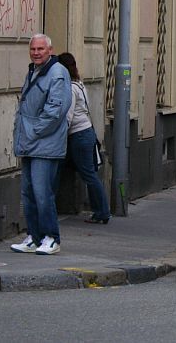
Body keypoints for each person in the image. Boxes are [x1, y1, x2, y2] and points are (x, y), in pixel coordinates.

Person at [11, 34, 72, 255]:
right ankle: (35, 238)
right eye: (33, 49)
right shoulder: (35, 70)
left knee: (42, 192)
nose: (36, 52)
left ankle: (51, 238)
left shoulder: (57, 72)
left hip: (44, 144)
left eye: (40, 49)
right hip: (31, 142)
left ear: (50, 50)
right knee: (28, 193)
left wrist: (33, 132)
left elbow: (55, 111)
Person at [58, 52, 111, 225]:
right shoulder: (79, 84)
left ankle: (102, 212)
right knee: (89, 174)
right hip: (86, 132)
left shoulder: (71, 89)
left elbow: (68, 114)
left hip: (78, 135)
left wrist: (59, 135)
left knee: (89, 175)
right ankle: (101, 211)